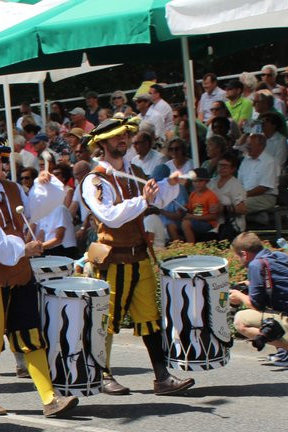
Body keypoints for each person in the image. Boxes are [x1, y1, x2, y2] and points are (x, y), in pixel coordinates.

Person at [0, 140, 76, 418]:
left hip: (19, 271)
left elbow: (39, 209)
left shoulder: (12, 188)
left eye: (1, 159)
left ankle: (49, 397)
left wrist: (47, 184)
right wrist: (23, 248)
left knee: (30, 333)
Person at [80, 118, 195, 396]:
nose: (124, 140)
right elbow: (109, 216)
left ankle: (162, 377)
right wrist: (143, 200)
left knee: (150, 320)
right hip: (112, 260)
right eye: (118, 136)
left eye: (126, 135)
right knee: (106, 320)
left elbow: (157, 200)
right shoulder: (95, 179)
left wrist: (170, 183)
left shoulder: (136, 171)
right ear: (102, 143)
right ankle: (103, 375)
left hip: (139, 255)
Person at [228, 232, 288, 367]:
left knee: (240, 320)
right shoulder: (280, 256)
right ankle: (285, 348)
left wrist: (240, 296)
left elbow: (256, 305)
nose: (237, 260)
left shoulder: (255, 265)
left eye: (237, 256)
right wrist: (251, 284)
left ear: (244, 254)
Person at [237, 133, 279, 219]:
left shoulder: (269, 162)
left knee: (235, 206)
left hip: (264, 197)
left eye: (250, 145)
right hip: (245, 195)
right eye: (247, 144)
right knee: (222, 202)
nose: (247, 147)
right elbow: (239, 182)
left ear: (261, 146)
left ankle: (236, 229)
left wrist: (243, 195)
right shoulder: (246, 160)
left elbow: (264, 188)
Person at [209, 152, 247, 233]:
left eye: (225, 166)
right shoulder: (211, 182)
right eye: (220, 165)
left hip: (231, 226)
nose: (222, 168)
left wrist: (223, 208)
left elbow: (242, 209)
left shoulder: (236, 185)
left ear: (233, 169)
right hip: (211, 222)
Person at [180, 168, 221, 243]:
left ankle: (191, 247)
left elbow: (213, 216)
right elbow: (190, 209)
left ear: (207, 182)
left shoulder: (211, 196)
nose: (197, 184)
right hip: (196, 221)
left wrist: (192, 217)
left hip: (208, 224)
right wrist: (183, 209)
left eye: (200, 181)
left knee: (185, 223)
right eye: (195, 181)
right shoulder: (193, 194)